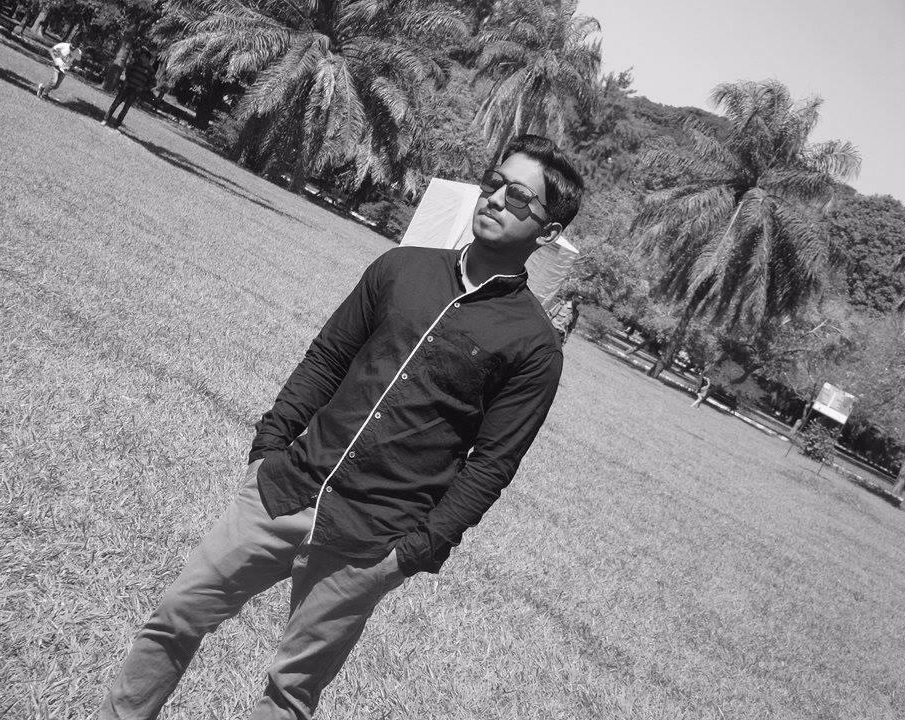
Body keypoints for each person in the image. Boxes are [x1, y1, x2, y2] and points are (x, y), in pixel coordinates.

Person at [98, 134, 584, 720]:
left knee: (290, 691)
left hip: (371, 536)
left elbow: (492, 464)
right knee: (176, 617)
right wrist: (268, 447)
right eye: (494, 183)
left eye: (520, 197)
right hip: (285, 489)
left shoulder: (534, 345)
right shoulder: (401, 268)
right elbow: (327, 359)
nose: (497, 199)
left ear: (548, 231)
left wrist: (416, 551)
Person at [102, 50, 156, 129]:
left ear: (147, 58)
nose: (141, 57)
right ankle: (105, 119)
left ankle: (116, 125)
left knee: (125, 108)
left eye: (143, 56)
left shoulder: (150, 70)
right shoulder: (136, 64)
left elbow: (153, 83)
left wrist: (143, 88)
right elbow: (128, 71)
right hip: (126, 87)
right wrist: (126, 80)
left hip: (135, 91)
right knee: (116, 103)